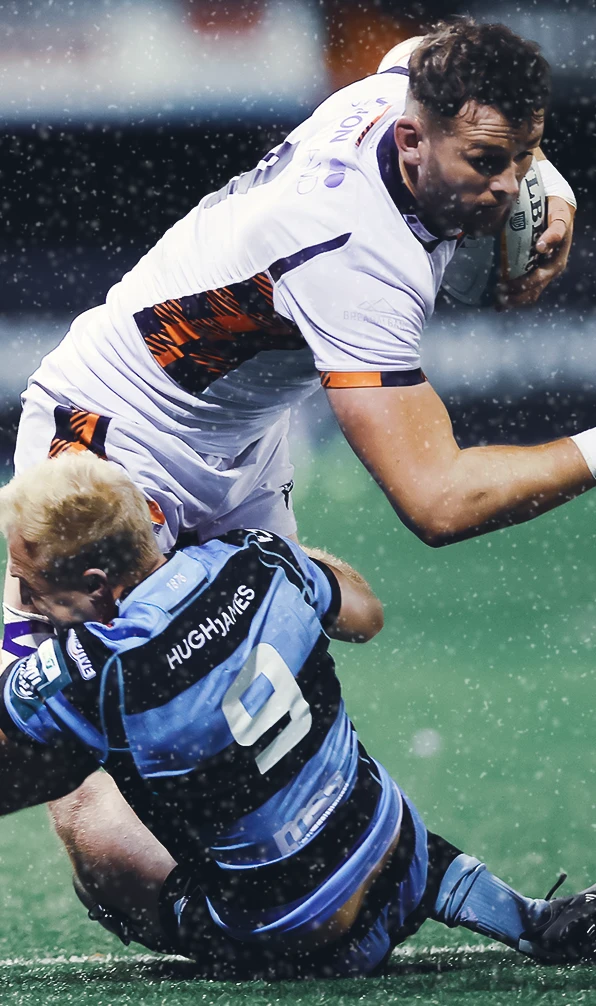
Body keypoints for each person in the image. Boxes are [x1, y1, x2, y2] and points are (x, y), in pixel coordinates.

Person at [3, 19, 584, 669]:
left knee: (316, 657)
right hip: (107, 432)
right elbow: (439, 500)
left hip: (236, 442)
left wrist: (552, 187)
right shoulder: (358, 257)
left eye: (523, 155)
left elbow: (426, 49)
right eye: (485, 162)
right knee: (61, 725)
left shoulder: (410, 87)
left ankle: (233, 568)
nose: (509, 187)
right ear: (413, 139)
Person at [0, 451, 595, 978]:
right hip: (400, 855)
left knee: (78, 796)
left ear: (98, 585)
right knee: (325, 779)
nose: (23, 604)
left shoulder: (91, 671)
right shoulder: (255, 557)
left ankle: (199, 918)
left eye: (30, 588)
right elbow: (364, 615)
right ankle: (521, 913)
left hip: (301, 942)